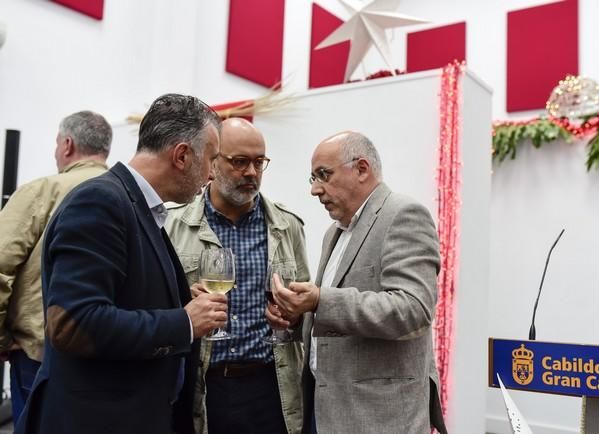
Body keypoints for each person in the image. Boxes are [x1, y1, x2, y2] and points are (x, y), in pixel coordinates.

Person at [15, 93, 229, 434]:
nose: (213, 175)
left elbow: (119, 294)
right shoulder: (100, 201)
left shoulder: (137, 206)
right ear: (183, 156)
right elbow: (74, 324)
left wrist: (178, 299)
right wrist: (184, 322)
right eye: (212, 160)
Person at [268, 131, 448, 434]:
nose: (315, 189)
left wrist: (320, 300)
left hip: (378, 418)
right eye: (312, 178)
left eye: (323, 175)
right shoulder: (334, 233)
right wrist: (297, 318)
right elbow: (335, 323)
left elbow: (413, 309)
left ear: (362, 169)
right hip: (325, 412)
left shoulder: (403, 214)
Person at [165, 117, 309, 434]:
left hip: (270, 386)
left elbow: (306, 308)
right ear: (212, 164)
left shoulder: (287, 226)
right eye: (240, 162)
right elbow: (154, 310)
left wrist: (294, 318)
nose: (252, 173)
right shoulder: (171, 226)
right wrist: (183, 307)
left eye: (259, 162)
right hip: (202, 387)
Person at [0, 110, 112, 423]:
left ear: (66, 144)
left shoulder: (41, 191)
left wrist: (2, 340)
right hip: (109, 355)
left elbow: (0, 264)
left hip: (40, 353)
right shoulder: (128, 197)